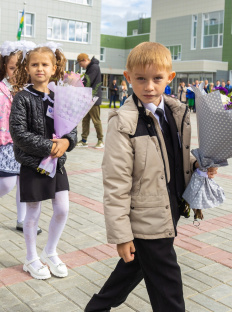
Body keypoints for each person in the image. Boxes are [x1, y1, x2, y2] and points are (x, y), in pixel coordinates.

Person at [84, 41, 218, 312]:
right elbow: (116, 183)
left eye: (157, 79)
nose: (149, 86)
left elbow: (173, 157)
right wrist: (122, 234)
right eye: (140, 79)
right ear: (128, 78)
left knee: (132, 269)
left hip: (170, 209)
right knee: (169, 289)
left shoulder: (176, 112)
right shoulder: (123, 123)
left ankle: (96, 309)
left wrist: (198, 166)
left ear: (170, 78)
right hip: (146, 217)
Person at [10, 43, 77, 280]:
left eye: (45, 64)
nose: (40, 68)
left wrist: (67, 143)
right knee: (33, 213)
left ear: (54, 67)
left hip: (57, 164)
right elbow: (18, 133)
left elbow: (72, 129)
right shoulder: (22, 97)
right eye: (35, 64)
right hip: (33, 164)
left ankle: (50, 251)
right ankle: (30, 258)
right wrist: (49, 147)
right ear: (27, 68)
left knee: (62, 209)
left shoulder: (60, 95)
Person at [0, 41, 41, 235]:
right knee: (7, 182)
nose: (17, 72)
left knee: (24, 183)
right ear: (5, 67)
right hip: (4, 143)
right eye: (12, 67)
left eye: (21, 68)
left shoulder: (31, 91)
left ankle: (22, 220)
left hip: (26, 144)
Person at [76, 53, 104, 148]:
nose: (81, 66)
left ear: (84, 60)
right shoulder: (90, 67)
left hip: (94, 98)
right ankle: (84, 140)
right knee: (85, 120)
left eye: (80, 64)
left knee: (96, 120)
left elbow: (88, 81)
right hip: (88, 98)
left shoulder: (94, 67)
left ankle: (100, 140)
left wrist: (77, 82)